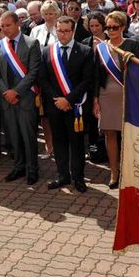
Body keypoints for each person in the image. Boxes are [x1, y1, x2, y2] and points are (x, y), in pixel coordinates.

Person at [39, 15, 94, 193]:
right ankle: (63, 175)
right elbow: (43, 79)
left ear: (73, 30)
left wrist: (68, 100)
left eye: (66, 31)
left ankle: (78, 178)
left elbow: (87, 80)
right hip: (55, 107)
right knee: (59, 142)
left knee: (77, 144)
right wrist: (58, 100)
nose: (62, 34)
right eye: (59, 31)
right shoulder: (48, 51)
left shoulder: (85, 51)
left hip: (76, 106)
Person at [0, 11, 41, 185]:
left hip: (25, 98)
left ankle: (32, 169)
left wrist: (16, 92)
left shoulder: (31, 43)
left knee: (28, 135)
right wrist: (6, 92)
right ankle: (19, 166)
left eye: (8, 25)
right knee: (13, 136)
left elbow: (33, 72)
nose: (4, 29)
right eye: (2, 26)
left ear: (17, 24)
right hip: (7, 100)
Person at [94, 11, 139, 189]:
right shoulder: (101, 48)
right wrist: (95, 99)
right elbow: (96, 75)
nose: (111, 30)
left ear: (122, 27)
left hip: (128, 94)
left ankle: (130, 171)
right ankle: (114, 172)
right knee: (110, 134)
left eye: (114, 27)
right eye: (108, 27)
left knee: (128, 135)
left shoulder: (132, 45)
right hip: (106, 96)